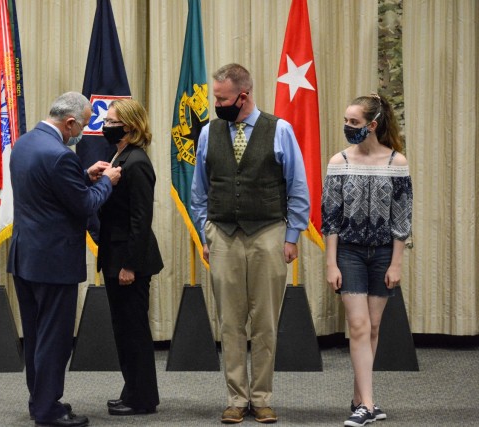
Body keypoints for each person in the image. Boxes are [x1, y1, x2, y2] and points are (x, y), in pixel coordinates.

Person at [191, 63, 310, 424]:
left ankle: (261, 398)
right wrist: (206, 232)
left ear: (243, 95)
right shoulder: (210, 133)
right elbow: (199, 191)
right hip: (223, 235)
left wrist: (291, 238)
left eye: (222, 97)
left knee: (265, 322)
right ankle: (235, 399)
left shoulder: (280, 130)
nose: (217, 103)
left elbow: (298, 188)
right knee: (229, 321)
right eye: (216, 97)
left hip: (268, 234)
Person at [7, 91, 122, 427]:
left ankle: (38, 400)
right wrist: (108, 183)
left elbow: (47, 191)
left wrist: (83, 177)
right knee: (54, 340)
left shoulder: (26, 143)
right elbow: (85, 206)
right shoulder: (60, 155)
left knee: (36, 337)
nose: (83, 132)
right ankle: (49, 410)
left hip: (25, 257)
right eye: (83, 125)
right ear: (69, 122)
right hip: (54, 263)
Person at [321, 93, 412, 427]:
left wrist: (396, 263)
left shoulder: (396, 163)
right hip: (349, 253)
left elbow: (402, 219)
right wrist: (331, 263)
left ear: (372, 125)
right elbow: (329, 217)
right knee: (357, 326)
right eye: (346, 121)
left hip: (384, 255)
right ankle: (369, 406)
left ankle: (360, 398)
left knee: (372, 328)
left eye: (354, 122)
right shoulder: (339, 161)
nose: (348, 126)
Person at [97, 98, 163, 416]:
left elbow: (141, 219)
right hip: (115, 256)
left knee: (133, 330)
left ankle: (142, 398)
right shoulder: (120, 155)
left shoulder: (136, 162)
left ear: (130, 126)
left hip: (129, 261)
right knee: (123, 329)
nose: (105, 125)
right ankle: (131, 389)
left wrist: (129, 265)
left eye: (111, 121)